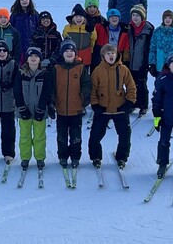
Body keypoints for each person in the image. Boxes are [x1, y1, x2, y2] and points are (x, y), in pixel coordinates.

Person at [88, 43, 136, 169]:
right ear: (103, 56)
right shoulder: (97, 70)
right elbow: (92, 89)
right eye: (108, 53)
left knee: (125, 135)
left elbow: (131, 86)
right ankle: (96, 157)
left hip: (120, 108)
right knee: (95, 136)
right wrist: (95, 104)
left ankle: (122, 157)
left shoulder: (123, 69)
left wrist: (129, 102)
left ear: (116, 55)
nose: (111, 56)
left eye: (113, 53)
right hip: (102, 109)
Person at [52, 39, 91, 170]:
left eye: (71, 51)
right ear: (62, 53)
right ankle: (62, 156)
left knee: (76, 136)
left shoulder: (80, 68)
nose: (69, 53)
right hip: (61, 109)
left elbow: (86, 84)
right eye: (66, 51)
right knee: (61, 136)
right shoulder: (57, 69)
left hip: (76, 109)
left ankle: (75, 157)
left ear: (75, 54)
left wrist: (85, 98)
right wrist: (52, 101)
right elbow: (51, 87)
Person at [15, 47, 55, 173]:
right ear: (26, 59)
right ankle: (25, 157)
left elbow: (46, 92)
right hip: (24, 111)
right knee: (25, 135)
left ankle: (40, 158)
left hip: (39, 111)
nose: (33, 58)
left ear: (40, 59)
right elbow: (17, 92)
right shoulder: (20, 74)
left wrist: (42, 108)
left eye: (36, 56)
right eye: (31, 56)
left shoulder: (45, 74)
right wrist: (21, 107)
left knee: (39, 136)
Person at [124, 5, 154, 115]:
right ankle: (133, 103)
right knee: (131, 84)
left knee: (141, 84)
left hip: (142, 61)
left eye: (137, 15)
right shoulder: (129, 28)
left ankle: (143, 105)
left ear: (142, 17)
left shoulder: (148, 29)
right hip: (130, 61)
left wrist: (147, 63)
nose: (135, 17)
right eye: (133, 15)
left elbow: (150, 47)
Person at [149, 10, 173, 78]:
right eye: (165, 18)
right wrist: (152, 63)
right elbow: (152, 49)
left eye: (170, 18)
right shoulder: (157, 32)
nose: (167, 20)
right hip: (159, 66)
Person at [62, 4, 97, 73]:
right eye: (76, 16)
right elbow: (65, 39)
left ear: (84, 18)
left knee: (84, 74)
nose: (78, 19)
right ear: (72, 18)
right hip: (72, 56)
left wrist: (90, 50)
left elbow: (93, 39)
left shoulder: (89, 28)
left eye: (80, 16)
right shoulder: (68, 28)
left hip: (85, 57)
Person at [9, 0, 38, 64]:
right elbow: (10, 28)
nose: (24, 1)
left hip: (31, 45)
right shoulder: (15, 14)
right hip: (19, 45)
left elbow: (38, 28)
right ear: (19, 1)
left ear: (29, 1)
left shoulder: (34, 14)